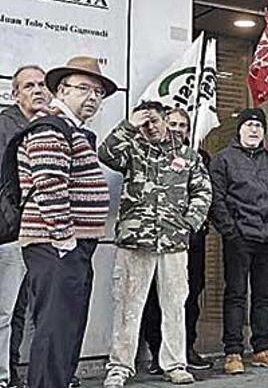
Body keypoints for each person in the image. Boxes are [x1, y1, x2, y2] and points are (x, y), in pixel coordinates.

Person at [99, 102, 212, 386]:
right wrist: (129, 124)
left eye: (154, 121)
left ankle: (174, 364)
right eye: (144, 122)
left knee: (175, 305)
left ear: (165, 121)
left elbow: (202, 190)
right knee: (127, 305)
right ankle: (120, 366)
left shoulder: (187, 155)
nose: (150, 127)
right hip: (135, 241)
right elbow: (105, 154)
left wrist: (189, 222)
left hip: (173, 243)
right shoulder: (132, 149)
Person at [17, 57, 115, 388]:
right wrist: (64, 239)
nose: (93, 97)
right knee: (55, 332)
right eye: (84, 88)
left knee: (65, 330)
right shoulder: (50, 126)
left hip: (67, 246)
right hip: (56, 245)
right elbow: (48, 183)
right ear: (62, 90)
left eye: (98, 92)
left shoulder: (69, 129)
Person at [210, 108, 268, 374]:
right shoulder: (223, 159)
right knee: (235, 294)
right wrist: (230, 231)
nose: (254, 130)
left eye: (258, 126)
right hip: (239, 238)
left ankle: (262, 348)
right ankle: (233, 352)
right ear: (239, 129)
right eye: (249, 125)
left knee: (264, 296)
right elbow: (216, 199)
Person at [139, 108, 214, 374]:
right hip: (155, 240)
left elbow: (204, 195)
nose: (178, 128)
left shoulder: (199, 158)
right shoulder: (147, 155)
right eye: (173, 123)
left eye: (183, 125)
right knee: (153, 297)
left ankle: (185, 348)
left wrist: (190, 225)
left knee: (189, 295)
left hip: (190, 242)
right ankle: (157, 351)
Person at [0, 66, 48, 388]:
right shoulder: (4, 124)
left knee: (23, 309)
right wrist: (10, 219)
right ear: (15, 93)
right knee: (5, 310)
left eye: (42, 84)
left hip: (42, 231)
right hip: (11, 231)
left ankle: (13, 371)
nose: (37, 90)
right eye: (28, 85)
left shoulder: (50, 126)